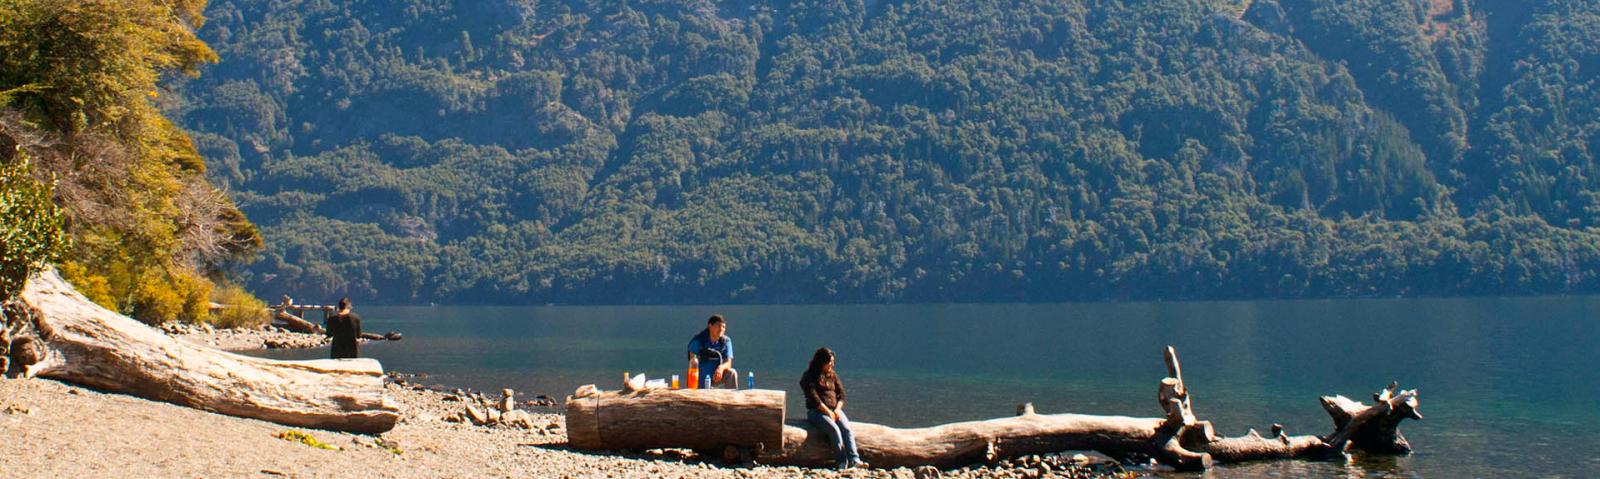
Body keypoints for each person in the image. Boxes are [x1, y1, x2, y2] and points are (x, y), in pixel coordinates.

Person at [801, 347, 866, 469]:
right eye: (830, 361)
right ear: (822, 362)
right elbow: (814, 398)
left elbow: (841, 395)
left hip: (835, 410)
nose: (832, 364)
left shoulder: (832, 375)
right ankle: (842, 461)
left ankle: (854, 459)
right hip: (817, 412)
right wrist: (827, 412)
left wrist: (837, 410)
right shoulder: (808, 377)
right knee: (834, 429)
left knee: (846, 428)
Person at [687, 315, 738, 389]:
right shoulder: (698, 341)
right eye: (718, 326)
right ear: (710, 326)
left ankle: (732, 397)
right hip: (700, 379)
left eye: (723, 327)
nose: (721, 329)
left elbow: (728, 362)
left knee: (732, 373)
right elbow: (692, 363)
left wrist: (721, 368)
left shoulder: (726, 342)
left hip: (716, 376)